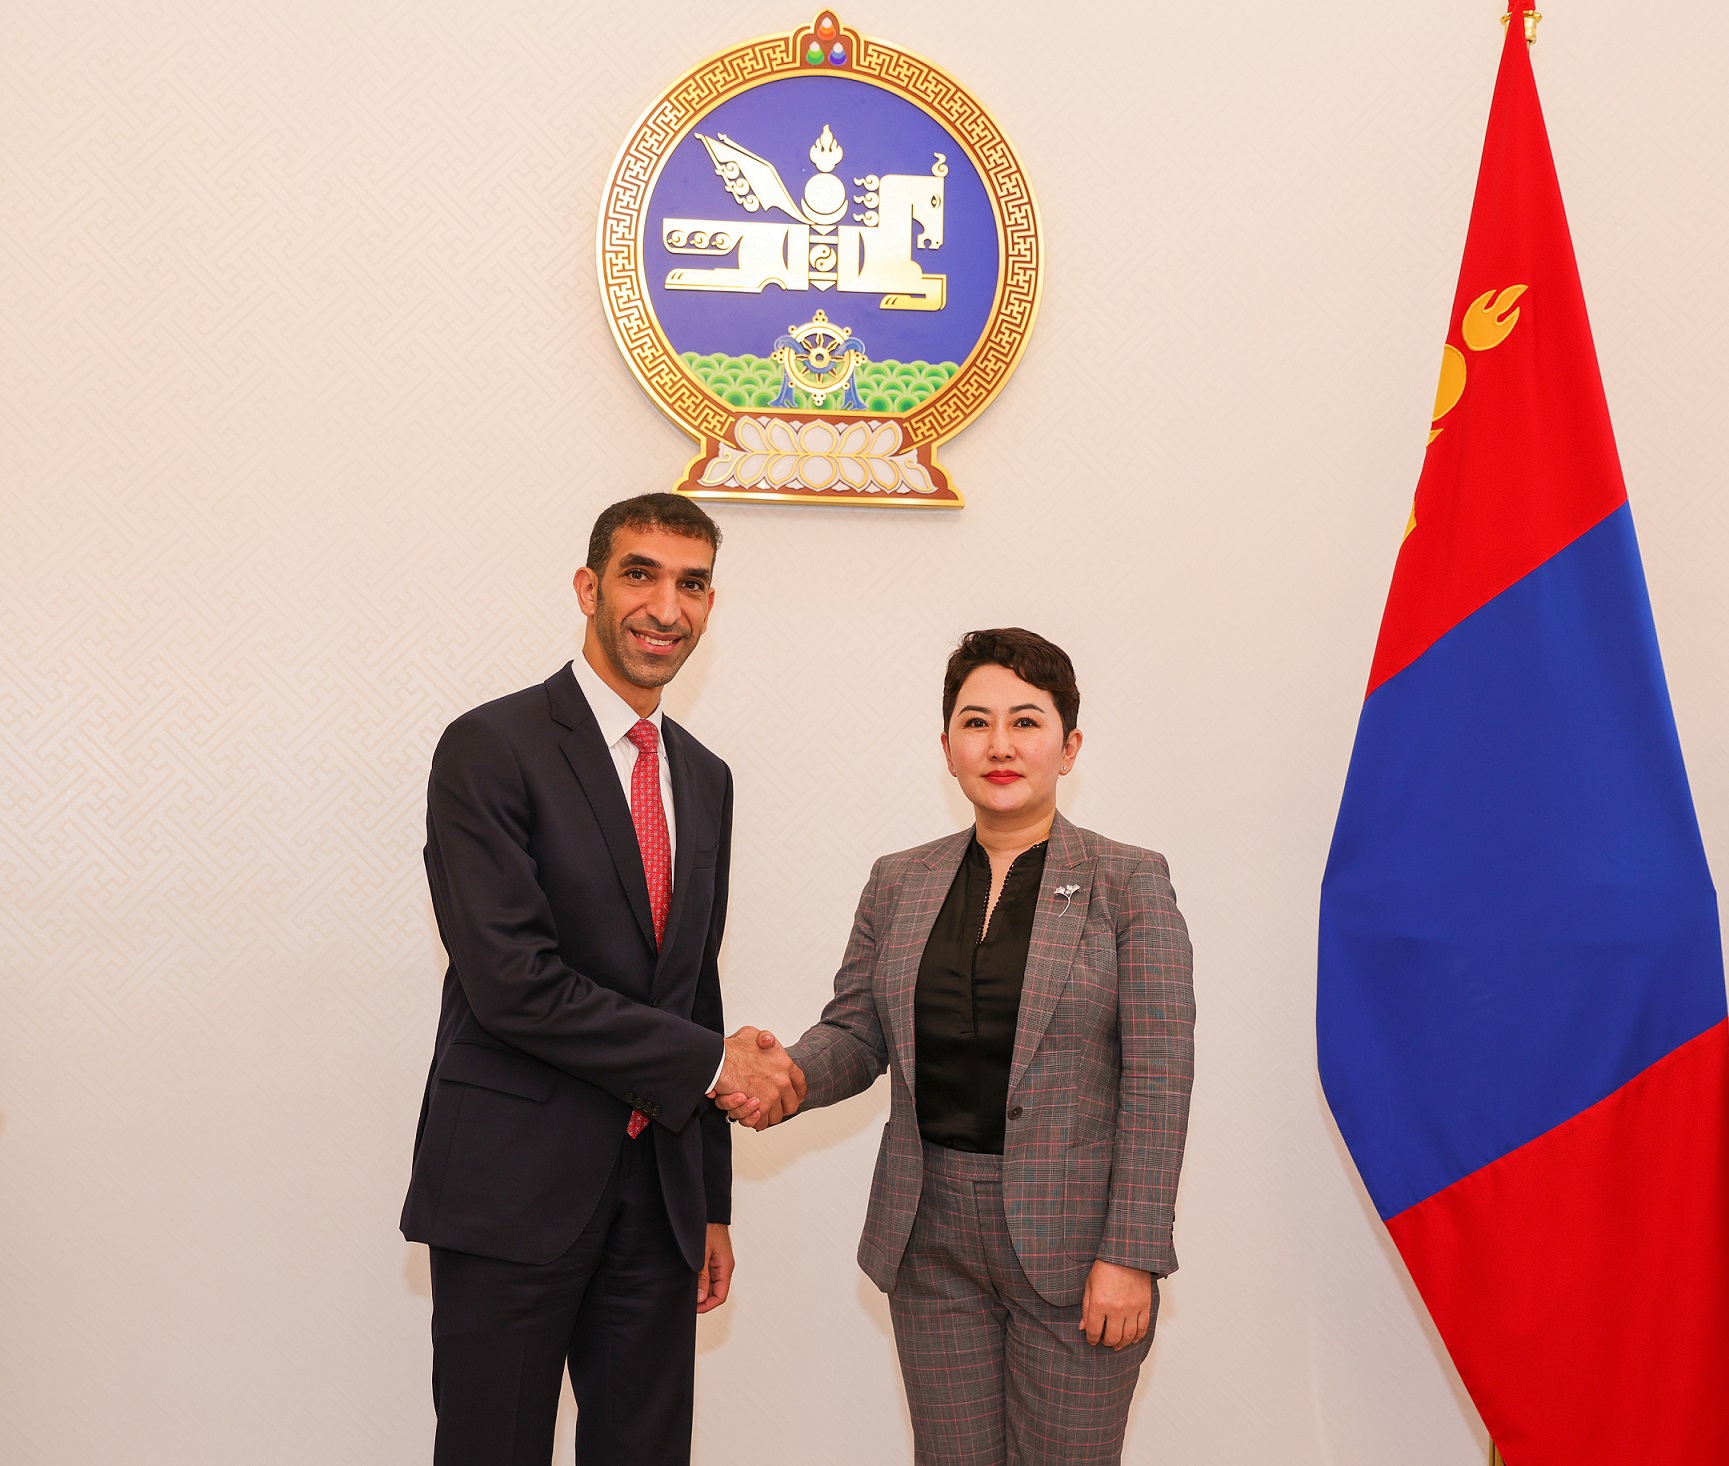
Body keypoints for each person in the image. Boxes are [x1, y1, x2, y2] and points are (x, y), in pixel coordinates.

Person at [720, 627, 1195, 1466]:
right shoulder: (897, 880)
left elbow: (1159, 1080)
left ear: (1068, 746)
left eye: (1025, 721)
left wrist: (1131, 1252)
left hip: (1076, 1244)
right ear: (946, 748)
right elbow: (857, 1031)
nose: (999, 745)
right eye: (976, 723)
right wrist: (783, 1075)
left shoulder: (1130, 882)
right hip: (928, 1235)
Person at [400, 493, 804, 1466]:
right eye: (640, 575)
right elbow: (514, 983)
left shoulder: (704, 775)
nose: (666, 607)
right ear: (588, 587)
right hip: (512, 1188)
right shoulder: (490, 746)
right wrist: (715, 1064)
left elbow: (692, 988)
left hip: (657, 1201)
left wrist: (709, 1201)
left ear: (710, 605)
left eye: (691, 584)